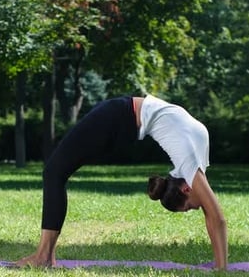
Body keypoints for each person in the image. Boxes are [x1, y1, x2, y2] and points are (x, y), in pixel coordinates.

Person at [16, 95, 228, 269]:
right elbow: (217, 218)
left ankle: (45, 257)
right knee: (53, 173)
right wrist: (221, 269)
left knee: (56, 173)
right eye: (189, 207)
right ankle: (44, 257)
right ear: (186, 188)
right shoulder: (190, 162)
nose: (194, 208)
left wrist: (220, 264)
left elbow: (212, 217)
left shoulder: (193, 165)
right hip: (115, 117)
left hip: (122, 123)